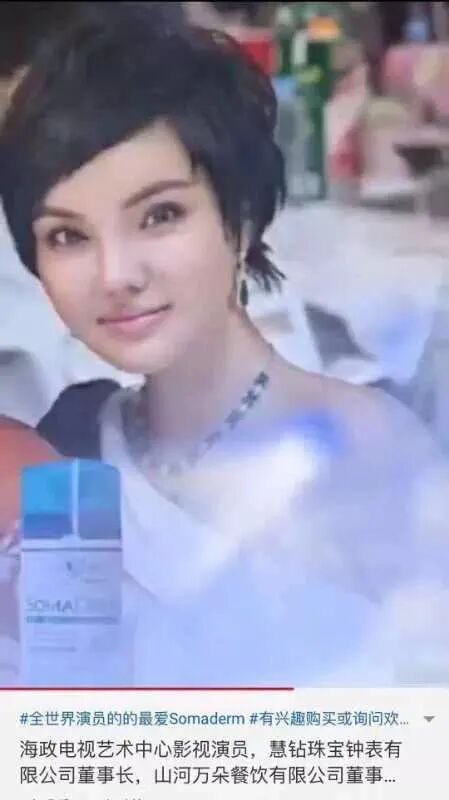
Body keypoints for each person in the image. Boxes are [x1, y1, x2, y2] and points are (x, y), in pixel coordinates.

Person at [1, 3, 447, 686]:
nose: (116, 275)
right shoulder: (67, 452)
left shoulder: (374, 463)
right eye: (68, 236)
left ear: (238, 219)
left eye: (160, 215)